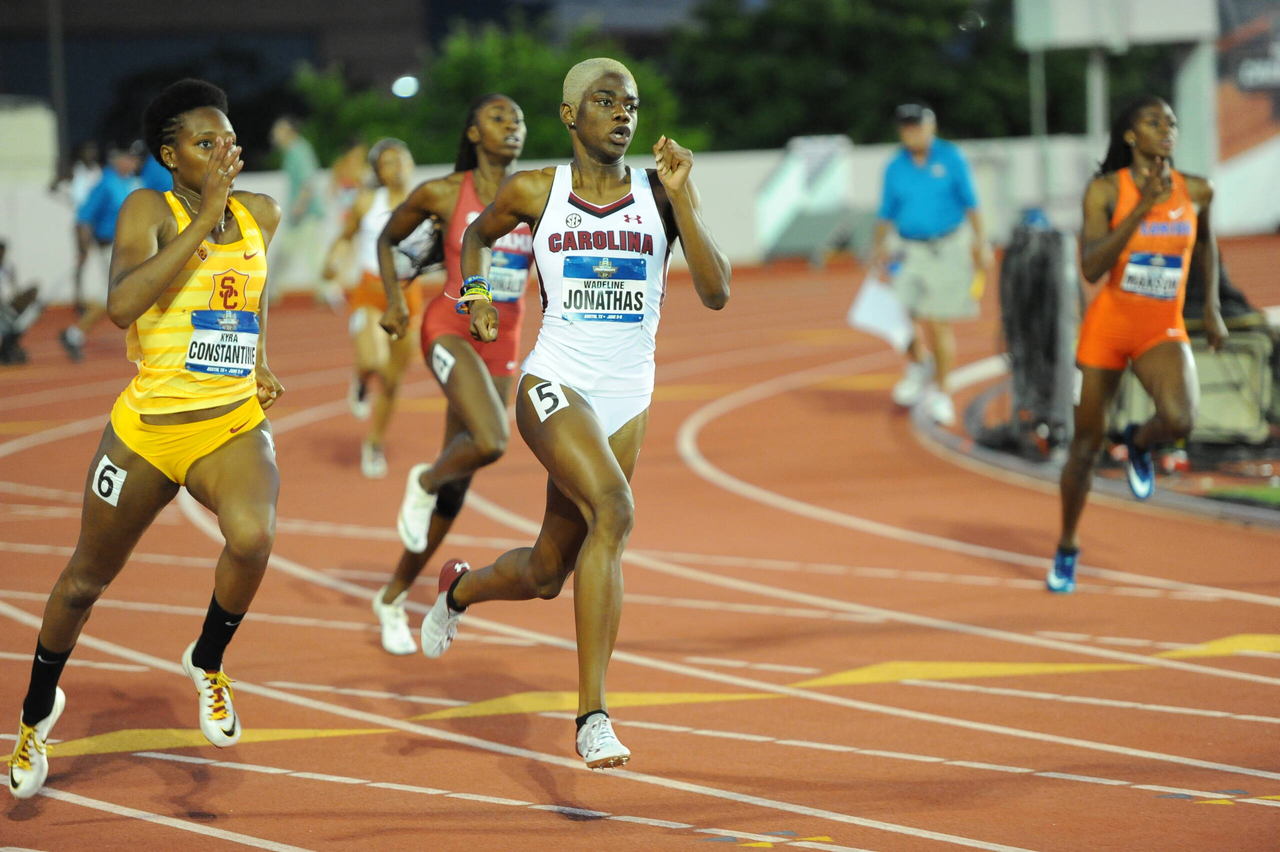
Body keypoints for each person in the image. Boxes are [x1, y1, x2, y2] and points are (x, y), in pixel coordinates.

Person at [416, 59, 730, 768]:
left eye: (632, 103)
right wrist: (472, 295)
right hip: (555, 379)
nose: (623, 113)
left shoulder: (660, 191)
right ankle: (592, 716)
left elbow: (716, 293)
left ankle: (458, 589)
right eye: (605, 100)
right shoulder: (537, 190)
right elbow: (471, 237)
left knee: (548, 571)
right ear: (569, 115)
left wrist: (684, 202)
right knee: (614, 513)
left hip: (627, 395)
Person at [6, 79, 285, 799]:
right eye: (204, 142)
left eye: (228, 139)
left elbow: (247, 295)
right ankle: (37, 714)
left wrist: (257, 361)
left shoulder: (262, 213)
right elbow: (124, 304)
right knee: (83, 583)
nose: (224, 151)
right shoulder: (146, 210)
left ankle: (208, 658)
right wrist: (204, 221)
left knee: (253, 537)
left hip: (228, 425)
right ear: (170, 156)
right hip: (147, 434)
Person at [373, 94, 532, 654]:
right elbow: (389, 238)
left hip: (502, 344)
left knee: (454, 488)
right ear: (472, 132)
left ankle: (392, 597)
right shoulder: (443, 193)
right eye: (497, 118)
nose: (511, 126)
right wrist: (395, 300)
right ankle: (421, 480)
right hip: (449, 327)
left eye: (518, 119)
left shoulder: (536, 196)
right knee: (490, 440)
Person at [1048, 96, 1226, 594]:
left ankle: (1139, 442)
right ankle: (1067, 545)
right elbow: (1090, 266)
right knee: (1084, 446)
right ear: (1131, 136)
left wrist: (1209, 306)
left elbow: (1209, 242)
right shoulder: (1105, 191)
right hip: (1108, 327)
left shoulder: (1197, 190)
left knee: (1181, 418)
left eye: (1171, 121)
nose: (1166, 129)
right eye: (1153, 122)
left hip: (1160, 326)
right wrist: (1143, 207)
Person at [871, 103, 992, 426]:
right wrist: (878, 246)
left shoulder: (950, 158)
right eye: (906, 127)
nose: (912, 133)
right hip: (909, 248)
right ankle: (919, 363)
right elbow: (885, 211)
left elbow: (972, 204)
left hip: (947, 246)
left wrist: (981, 243)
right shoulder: (895, 166)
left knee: (938, 322)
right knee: (900, 313)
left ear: (931, 127)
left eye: (917, 126)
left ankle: (941, 391)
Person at [322, 139, 425, 478]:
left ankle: (374, 443)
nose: (397, 167)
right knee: (372, 361)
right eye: (388, 163)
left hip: (408, 297)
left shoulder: (425, 204)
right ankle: (361, 377)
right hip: (370, 293)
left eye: (402, 160)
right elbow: (345, 235)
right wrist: (332, 261)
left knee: (394, 382)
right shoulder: (369, 202)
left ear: (411, 164)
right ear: (379, 172)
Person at [61, 142, 142, 361]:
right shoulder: (106, 184)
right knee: (117, 295)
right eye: (131, 158)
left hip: (126, 247)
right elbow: (83, 218)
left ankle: (75, 334)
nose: (135, 162)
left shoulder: (125, 182)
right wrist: (83, 249)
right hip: (110, 247)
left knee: (128, 292)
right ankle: (74, 334)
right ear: (119, 158)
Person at [269, 115, 335, 307]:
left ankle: (327, 292)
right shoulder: (293, 151)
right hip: (300, 215)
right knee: (285, 253)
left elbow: (308, 182)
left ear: (289, 131)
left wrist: (298, 208)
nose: (275, 134)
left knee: (311, 254)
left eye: (278, 129)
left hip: (306, 214)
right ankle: (271, 291)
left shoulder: (298, 150)